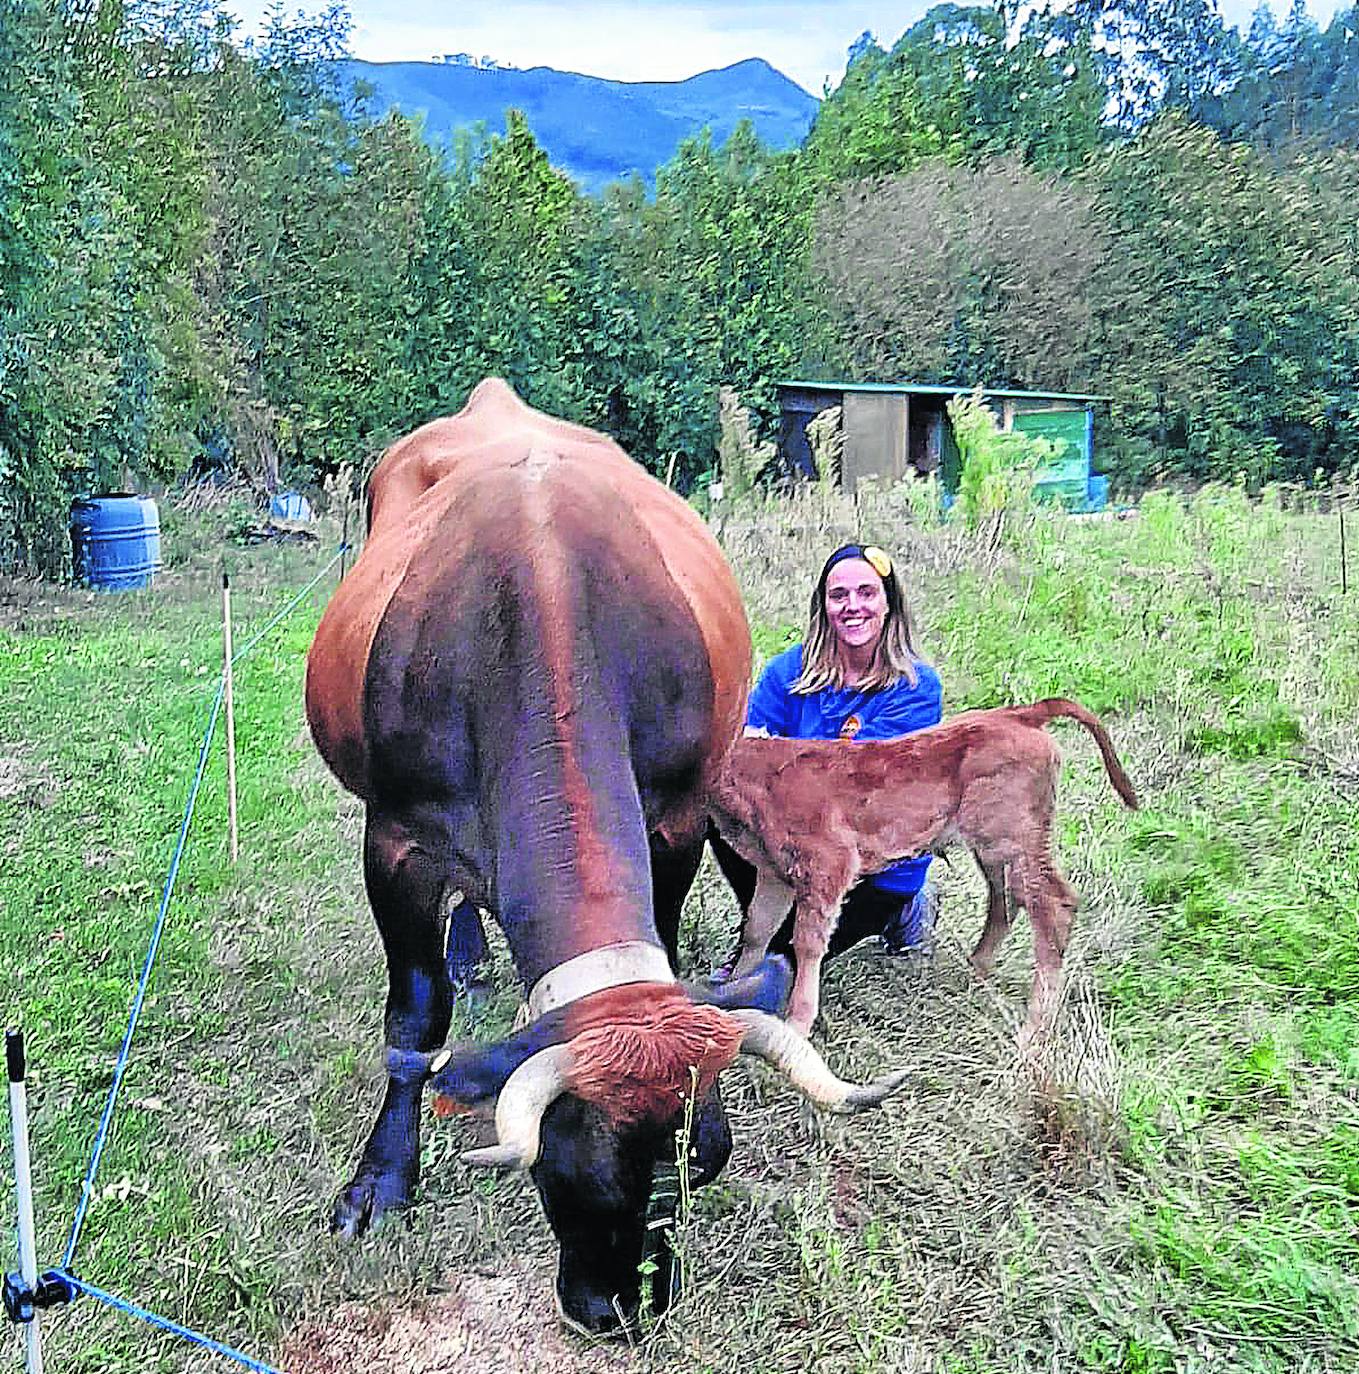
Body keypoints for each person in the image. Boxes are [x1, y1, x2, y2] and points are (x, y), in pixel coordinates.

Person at [711, 541, 943, 978]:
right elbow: (742, 758)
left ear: (889, 603)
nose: (852, 606)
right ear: (823, 606)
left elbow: (861, 786)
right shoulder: (787, 672)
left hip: (868, 859)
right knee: (718, 800)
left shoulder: (915, 686)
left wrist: (777, 761)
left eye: (866, 593)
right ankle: (765, 926)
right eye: (839, 596)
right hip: (792, 845)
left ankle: (904, 907)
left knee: (782, 963)